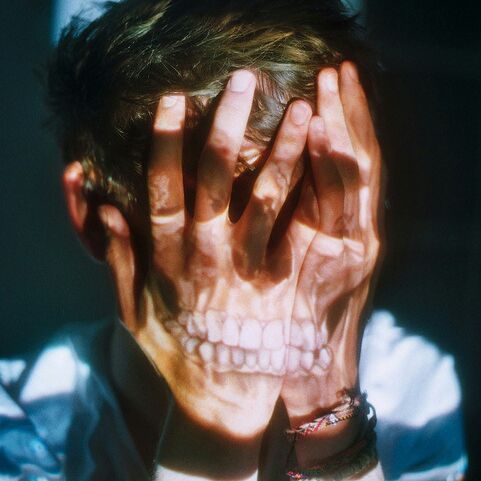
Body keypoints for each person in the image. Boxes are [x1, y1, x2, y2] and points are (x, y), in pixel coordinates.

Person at [0, 1, 466, 480]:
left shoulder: (408, 387)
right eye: (214, 212)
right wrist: (217, 421)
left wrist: (330, 417)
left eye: (310, 206)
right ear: (93, 216)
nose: (268, 271)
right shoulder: (17, 425)